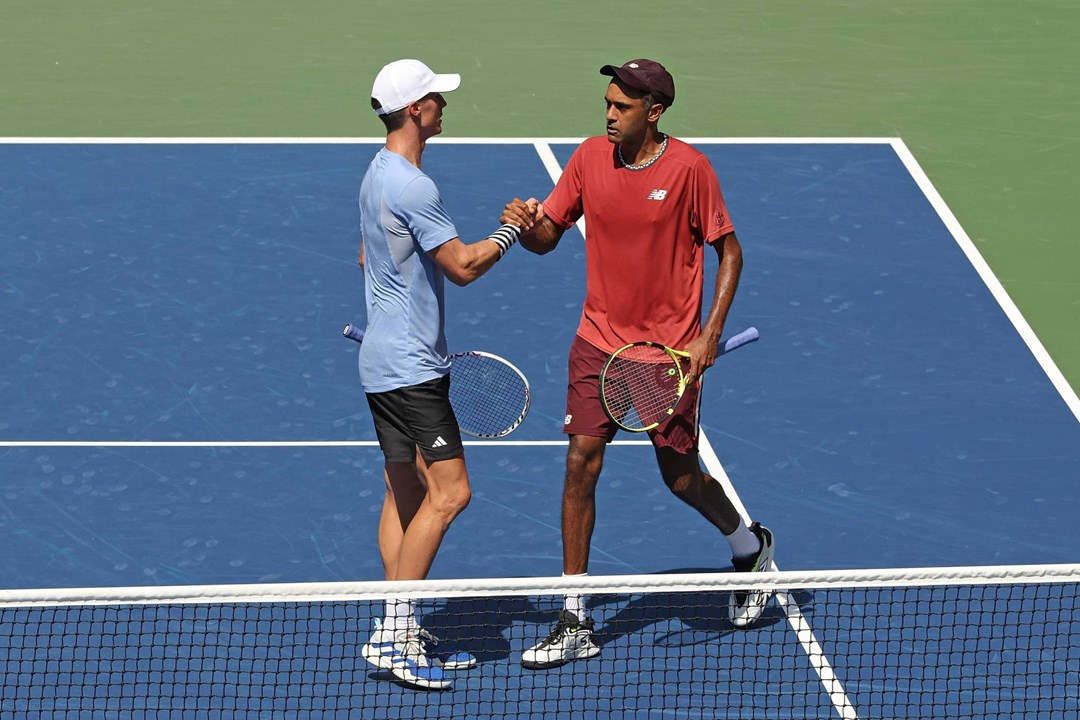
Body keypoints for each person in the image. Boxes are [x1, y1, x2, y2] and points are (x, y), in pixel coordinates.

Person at [502, 59, 776, 670]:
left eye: (621, 108)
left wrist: (709, 335)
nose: (608, 114)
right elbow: (550, 234)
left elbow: (729, 250)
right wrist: (527, 228)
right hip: (598, 340)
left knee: (679, 477)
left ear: (653, 113)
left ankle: (748, 546)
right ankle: (574, 616)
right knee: (581, 462)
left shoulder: (689, 170)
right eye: (606, 103)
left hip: (665, 353)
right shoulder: (588, 158)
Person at [356, 58, 523, 690]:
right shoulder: (414, 187)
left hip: (380, 361)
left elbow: (369, 256)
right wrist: (511, 230)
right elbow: (462, 266)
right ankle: (394, 633)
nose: (442, 105)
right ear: (411, 110)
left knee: (404, 492)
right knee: (451, 493)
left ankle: (398, 625)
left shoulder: (375, 175)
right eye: (433, 98)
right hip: (412, 370)